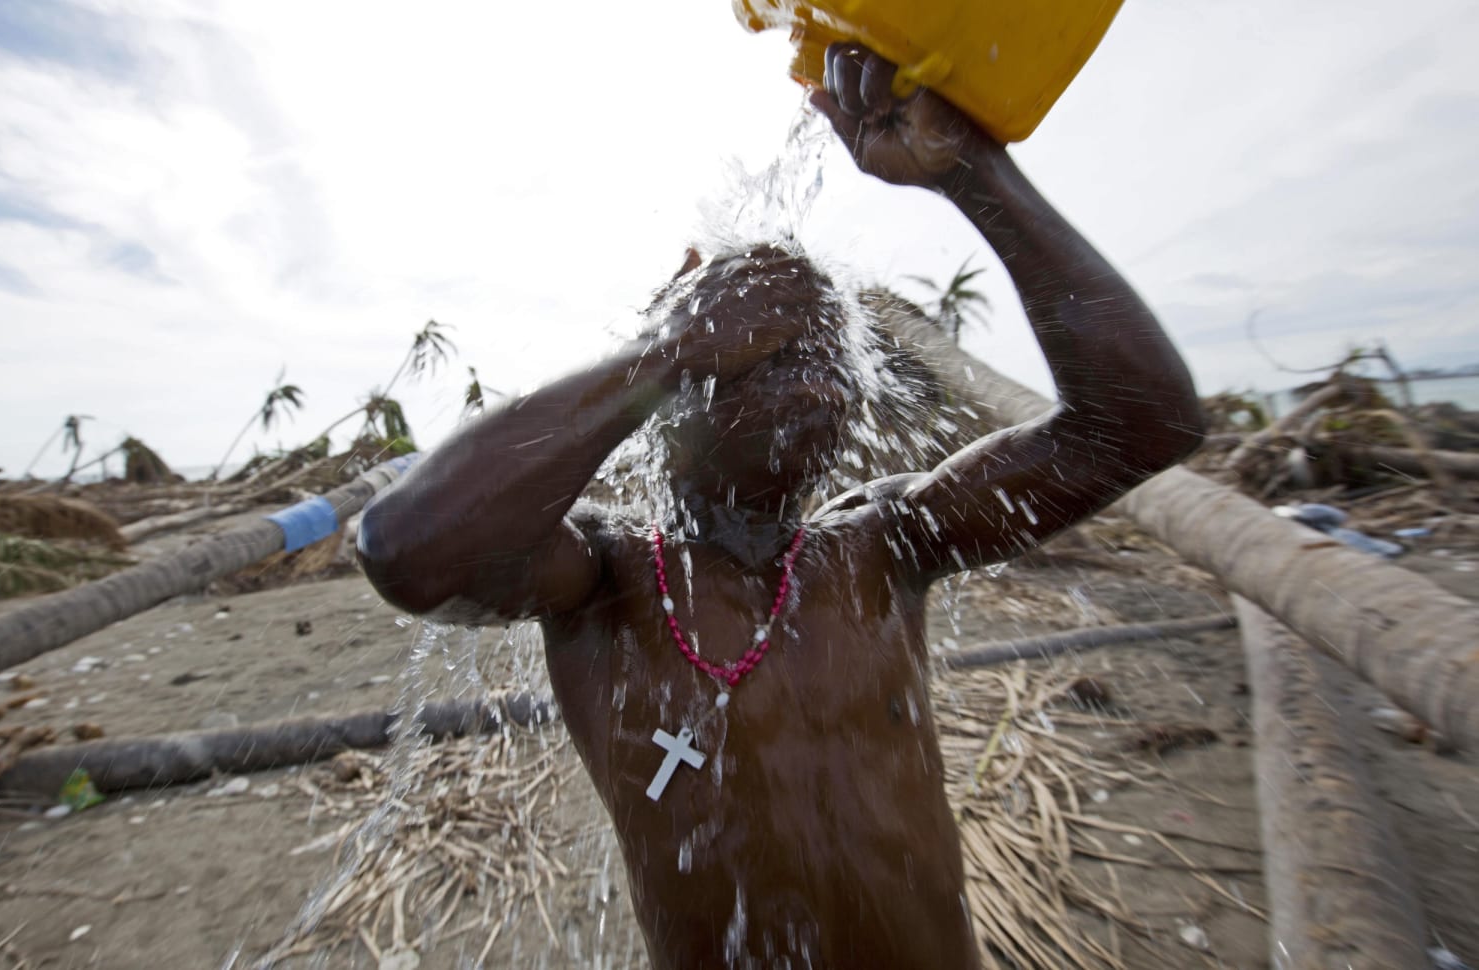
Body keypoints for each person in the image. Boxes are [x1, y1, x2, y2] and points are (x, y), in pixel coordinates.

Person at [357, 44, 1205, 970]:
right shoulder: (605, 583)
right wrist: (669, 349)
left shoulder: (884, 544)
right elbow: (408, 553)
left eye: (825, 346)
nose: (814, 369)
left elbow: (1145, 425)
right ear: (667, 407)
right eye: (758, 347)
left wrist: (974, 172)